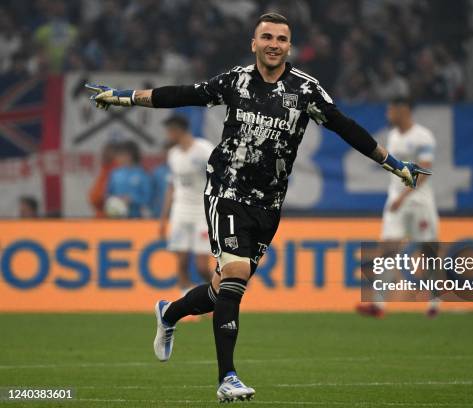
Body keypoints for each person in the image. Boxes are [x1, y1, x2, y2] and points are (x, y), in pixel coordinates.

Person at [86, 12, 430, 402]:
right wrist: (125, 97)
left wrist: (394, 163)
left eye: (281, 39)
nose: (273, 44)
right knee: (235, 275)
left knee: (221, 291)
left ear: (289, 46)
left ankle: (169, 313)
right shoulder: (236, 81)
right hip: (226, 191)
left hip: (269, 204)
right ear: (254, 43)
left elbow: (346, 127)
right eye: (266, 36)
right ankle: (227, 377)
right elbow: (183, 94)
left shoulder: (306, 91)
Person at [356, 96, 439, 319]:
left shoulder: (423, 137)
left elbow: (424, 172)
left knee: (426, 252)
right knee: (388, 250)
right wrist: (397, 198)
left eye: (391, 109)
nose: (388, 113)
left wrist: (403, 197)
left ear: (404, 110)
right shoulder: (392, 136)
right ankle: (379, 305)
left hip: (418, 203)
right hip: (396, 202)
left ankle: (433, 303)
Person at [158, 115, 215, 299]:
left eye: (169, 131)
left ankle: (219, 297)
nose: (167, 135)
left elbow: (221, 174)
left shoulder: (204, 149)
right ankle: (187, 304)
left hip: (202, 211)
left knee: (201, 267)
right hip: (180, 211)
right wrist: (163, 219)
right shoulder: (173, 154)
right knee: (181, 262)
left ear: (177, 131)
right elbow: (172, 187)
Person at [106, 140, 152, 218]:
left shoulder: (142, 174)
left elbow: (148, 198)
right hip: (117, 217)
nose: (117, 158)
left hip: (137, 218)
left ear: (129, 155)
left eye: (120, 155)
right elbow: (108, 194)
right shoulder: (115, 174)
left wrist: (132, 199)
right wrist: (115, 200)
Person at [89, 141, 118, 218]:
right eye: (104, 151)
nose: (104, 154)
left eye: (107, 151)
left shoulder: (116, 170)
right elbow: (95, 196)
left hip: (112, 216)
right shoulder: (105, 169)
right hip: (101, 215)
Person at [150, 141, 173, 218]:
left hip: (179, 212)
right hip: (159, 213)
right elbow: (151, 193)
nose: (166, 155)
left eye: (169, 153)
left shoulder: (182, 170)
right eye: (165, 153)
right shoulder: (157, 172)